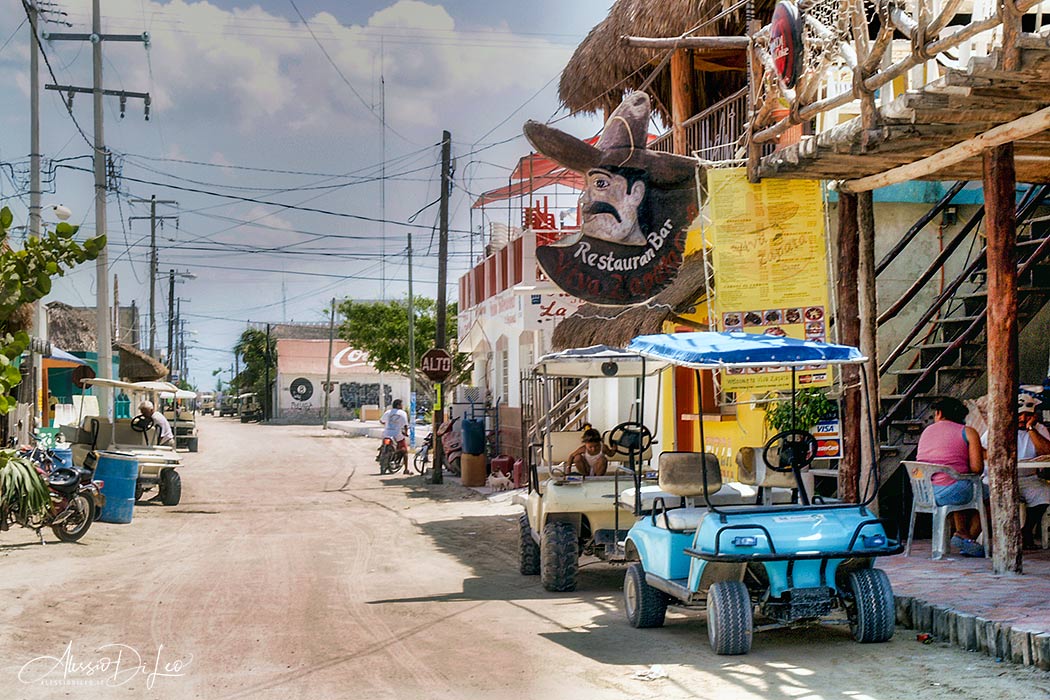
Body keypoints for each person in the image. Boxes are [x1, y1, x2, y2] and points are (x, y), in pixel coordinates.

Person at [916, 397, 986, 557]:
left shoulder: (927, 431)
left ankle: (962, 533)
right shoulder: (968, 432)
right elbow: (977, 468)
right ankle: (967, 537)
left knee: (962, 487)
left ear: (939, 413)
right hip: (951, 491)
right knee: (989, 496)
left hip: (924, 492)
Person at [981, 389, 1050, 550]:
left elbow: (1046, 452)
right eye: (1020, 414)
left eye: (1027, 415)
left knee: (1045, 493)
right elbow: (982, 449)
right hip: (999, 478)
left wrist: (1031, 429)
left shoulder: (1038, 429)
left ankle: (1026, 531)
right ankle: (1003, 538)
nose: (1023, 418)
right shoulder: (998, 427)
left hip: (1027, 478)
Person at [380, 399, 409, 463]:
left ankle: (380, 453)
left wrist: (387, 424)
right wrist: (406, 433)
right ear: (398, 405)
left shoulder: (387, 412)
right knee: (405, 451)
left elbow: (381, 421)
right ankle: (406, 469)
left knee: (383, 443)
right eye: (401, 404)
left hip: (386, 434)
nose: (402, 406)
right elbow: (405, 425)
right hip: (397, 435)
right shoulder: (403, 413)